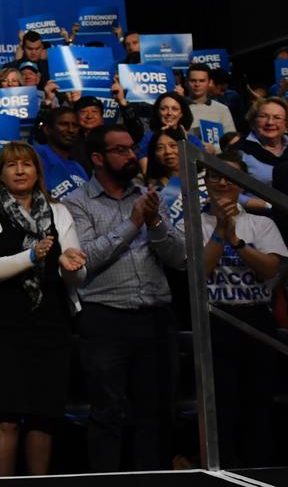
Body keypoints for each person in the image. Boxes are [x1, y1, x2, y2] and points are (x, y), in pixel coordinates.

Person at [63, 124, 186, 472]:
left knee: (157, 411)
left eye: (132, 148)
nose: (131, 155)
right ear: (98, 158)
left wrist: (156, 222)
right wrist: (133, 224)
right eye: (121, 150)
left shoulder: (148, 196)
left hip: (156, 318)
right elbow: (84, 258)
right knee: (107, 412)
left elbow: (179, 258)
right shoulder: (76, 204)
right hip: (105, 319)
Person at [0, 142, 86, 476]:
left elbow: (77, 273)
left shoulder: (59, 212)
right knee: (6, 417)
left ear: (37, 171)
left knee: (44, 417)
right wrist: (32, 256)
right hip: (4, 322)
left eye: (27, 164)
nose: (20, 171)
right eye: (11, 165)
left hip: (51, 322)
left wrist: (69, 265)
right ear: (0, 173)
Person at [199, 151, 286, 467]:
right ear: (205, 182)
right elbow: (198, 273)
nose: (223, 181)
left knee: (258, 402)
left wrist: (234, 239)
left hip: (256, 317)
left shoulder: (261, 224)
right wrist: (220, 231)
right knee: (222, 403)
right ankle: (223, 468)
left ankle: (259, 468)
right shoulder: (193, 222)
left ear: (241, 183)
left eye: (231, 175)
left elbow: (269, 269)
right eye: (216, 175)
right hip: (214, 317)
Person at [35, 105, 89, 200]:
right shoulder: (35, 155)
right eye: (63, 124)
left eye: (75, 125)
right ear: (47, 129)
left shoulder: (78, 168)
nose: (70, 130)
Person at [233, 96, 288, 185]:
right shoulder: (238, 151)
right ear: (253, 122)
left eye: (277, 118)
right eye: (263, 116)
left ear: (286, 125)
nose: (270, 122)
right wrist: (246, 199)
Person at [185, 63, 237, 138]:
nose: (197, 84)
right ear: (186, 82)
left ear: (210, 83)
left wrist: (214, 149)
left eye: (202, 81)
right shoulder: (177, 108)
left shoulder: (222, 110)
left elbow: (231, 141)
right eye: (193, 80)